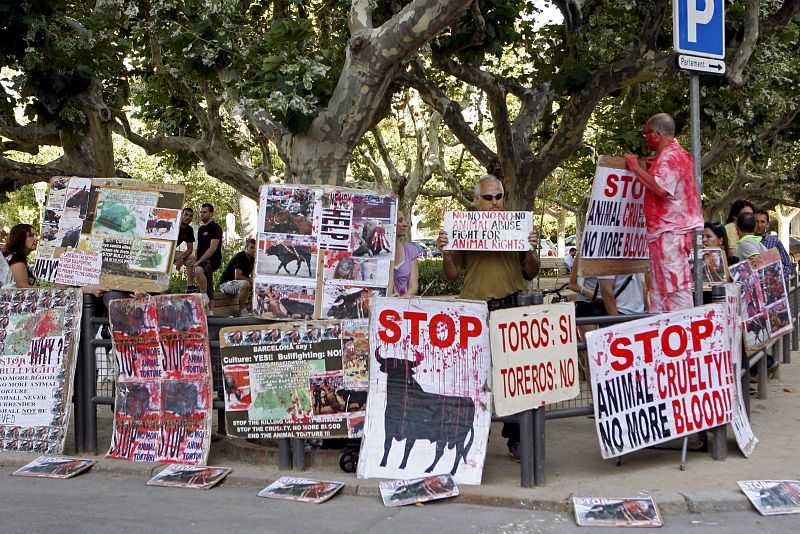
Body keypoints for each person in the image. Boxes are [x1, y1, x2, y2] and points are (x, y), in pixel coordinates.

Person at [435, 174, 540, 461]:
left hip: (510, 309)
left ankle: (516, 439)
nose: (494, 202)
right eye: (488, 197)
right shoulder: (462, 228)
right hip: (474, 312)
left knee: (512, 378)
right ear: (476, 201)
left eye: (499, 196)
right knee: (471, 379)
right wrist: (445, 253)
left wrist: (529, 247)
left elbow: (531, 271)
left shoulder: (518, 228)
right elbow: (453, 275)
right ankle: (468, 439)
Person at [624, 113, 703, 312]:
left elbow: (661, 188)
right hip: (664, 232)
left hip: (671, 231)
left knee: (675, 287)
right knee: (660, 289)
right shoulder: (671, 156)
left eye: (647, 133)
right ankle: (665, 330)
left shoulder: (670, 156)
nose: (645, 137)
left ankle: (685, 328)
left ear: (657, 134)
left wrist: (635, 167)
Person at [2, 223, 107, 296]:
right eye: (30, 236)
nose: (36, 238)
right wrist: (55, 289)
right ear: (20, 238)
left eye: (35, 235)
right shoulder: (17, 259)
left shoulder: (14, 257)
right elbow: (23, 287)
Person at [193, 203, 223, 302]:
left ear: (211, 213)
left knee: (200, 271)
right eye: (201, 212)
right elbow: (199, 247)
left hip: (213, 260)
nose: (202, 214)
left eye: (204, 212)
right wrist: (195, 260)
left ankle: (203, 295)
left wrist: (199, 262)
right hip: (202, 260)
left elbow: (212, 248)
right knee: (207, 281)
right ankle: (210, 310)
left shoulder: (215, 228)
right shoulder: (201, 229)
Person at [754, 208, 796, 280]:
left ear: (767, 224)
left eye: (762, 222)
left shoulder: (775, 242)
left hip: (771, 287)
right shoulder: (747, 242)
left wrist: (779, 278)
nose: (759, 225)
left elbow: (788, 265)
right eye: (756, 221)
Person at [219, 238, 256, 316]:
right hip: (226, 284)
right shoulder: (241, 256)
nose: (254, 250)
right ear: (246, 247)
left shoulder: (253, 259)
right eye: (252, 247)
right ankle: (242, 310)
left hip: (236, 284)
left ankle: (253, 308)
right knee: (246, 283)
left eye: (255, 248)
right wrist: (251, 281)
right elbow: (238, 276)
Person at [392, 211, 419, 296]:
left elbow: (413, 287)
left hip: (402, 304)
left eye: (404, 220)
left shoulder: (411, 250)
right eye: (400, 221)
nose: (405, 224)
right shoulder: (377, 253)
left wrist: (400, 301)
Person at [174, 208, 197, 290]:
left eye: (190, 216)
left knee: (191, 258)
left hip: (173, 252)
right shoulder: (174, 223)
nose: (188, 217)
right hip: (161, 250)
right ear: (181, 215)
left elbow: (189, 249)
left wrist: (181, 259)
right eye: (186, 215)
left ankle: (190, 286)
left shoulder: (189, 230)